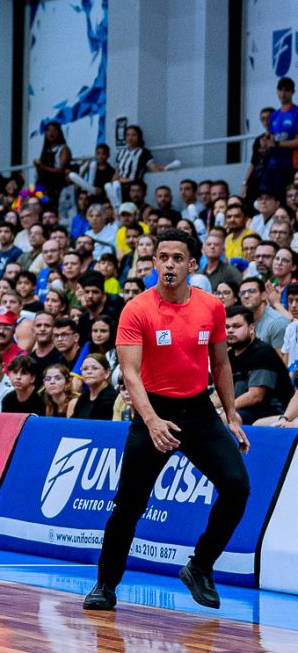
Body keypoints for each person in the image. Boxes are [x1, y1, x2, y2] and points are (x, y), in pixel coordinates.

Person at [83, 230, 250, 614]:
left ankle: (200, 565)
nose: (169, 264)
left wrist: (232, 416)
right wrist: (152, 420)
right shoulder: (137, 309)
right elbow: (130, 374)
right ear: (154, 262)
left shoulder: (211, 307)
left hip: (199, 412)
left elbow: (221, 363)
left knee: (237, 486)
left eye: (177, 258)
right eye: (163, 257)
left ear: (192, 264)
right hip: (152, 411)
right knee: (128, 505)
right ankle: (105, 585)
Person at [225, 306, 290, 423]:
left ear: (251, 328)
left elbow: (255, 396)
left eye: (236, 326)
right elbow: (219, 393)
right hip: (243, 410)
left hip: (271, 411)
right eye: (227, 327)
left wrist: (223, 410)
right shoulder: (229, 355)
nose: (230, 330)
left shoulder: (262, 353)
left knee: (226, 419)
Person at [34, 119, 72, 209]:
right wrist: (38, 167)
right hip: (43, 184)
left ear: (59, 132)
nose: (51, 133)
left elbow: (61, 170)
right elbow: (40, 174)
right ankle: (14, 211)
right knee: (25, 193)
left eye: (54, 130)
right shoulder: (46, 150)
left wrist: (43, 167)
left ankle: (49, 207)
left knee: (48, 201)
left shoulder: (64, 148)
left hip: (57, 184)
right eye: (48, 130)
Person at [72, 351, 118, 419]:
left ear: (107, 373)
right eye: (85, 369)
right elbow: (74, 419)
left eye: (95, 368)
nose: (89, 372)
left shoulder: (111, 397)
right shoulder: (85, 395)